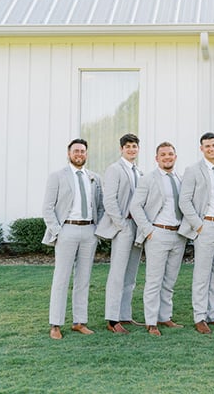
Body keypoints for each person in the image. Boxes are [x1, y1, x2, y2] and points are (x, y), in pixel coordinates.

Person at [42, 138, 104, 340]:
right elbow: (48, 208)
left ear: (86, 154)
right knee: (61, 278)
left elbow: (100, 207)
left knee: (83, 279)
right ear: (69, 153)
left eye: (83, 151)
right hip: (67, 229)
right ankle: (56, 324)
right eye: (76, 151)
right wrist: (58, 231)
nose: (79, 154)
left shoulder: (94, 178)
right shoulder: (57, 176)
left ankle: (79, 321)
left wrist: (98, 230)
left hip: (89, 232)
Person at [178, 132, 214, 334]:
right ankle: (199, 317)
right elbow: (184, 201)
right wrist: (198, 225)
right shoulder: (193, 170)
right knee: (202, 274)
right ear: (201, 149)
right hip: (206, 226)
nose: (212, 149)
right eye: (207, 146)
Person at [130, 142, 186, 336]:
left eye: (170, 154)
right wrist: (148, 230)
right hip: (158, 233)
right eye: (163, 154)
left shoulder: (181, 178)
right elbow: (135, 206)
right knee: (154, 280)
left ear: (175, 156)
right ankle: (151, 321)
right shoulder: (149, 179)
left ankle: (165, 316)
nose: (167, 157)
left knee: (170, 280)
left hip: (178, 235)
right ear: (157, 158)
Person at [95, 133, 144, 334]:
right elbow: (109, 200)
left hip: (137, 226)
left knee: (131, 274)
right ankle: (112, 319)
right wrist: (121, 225)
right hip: (123, 226)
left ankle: (125, 314)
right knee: (117, 273)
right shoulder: (114, 169)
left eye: (134, 146)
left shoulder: (139, 172)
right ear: (121, 149)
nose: (131, 149)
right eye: (128, 146)